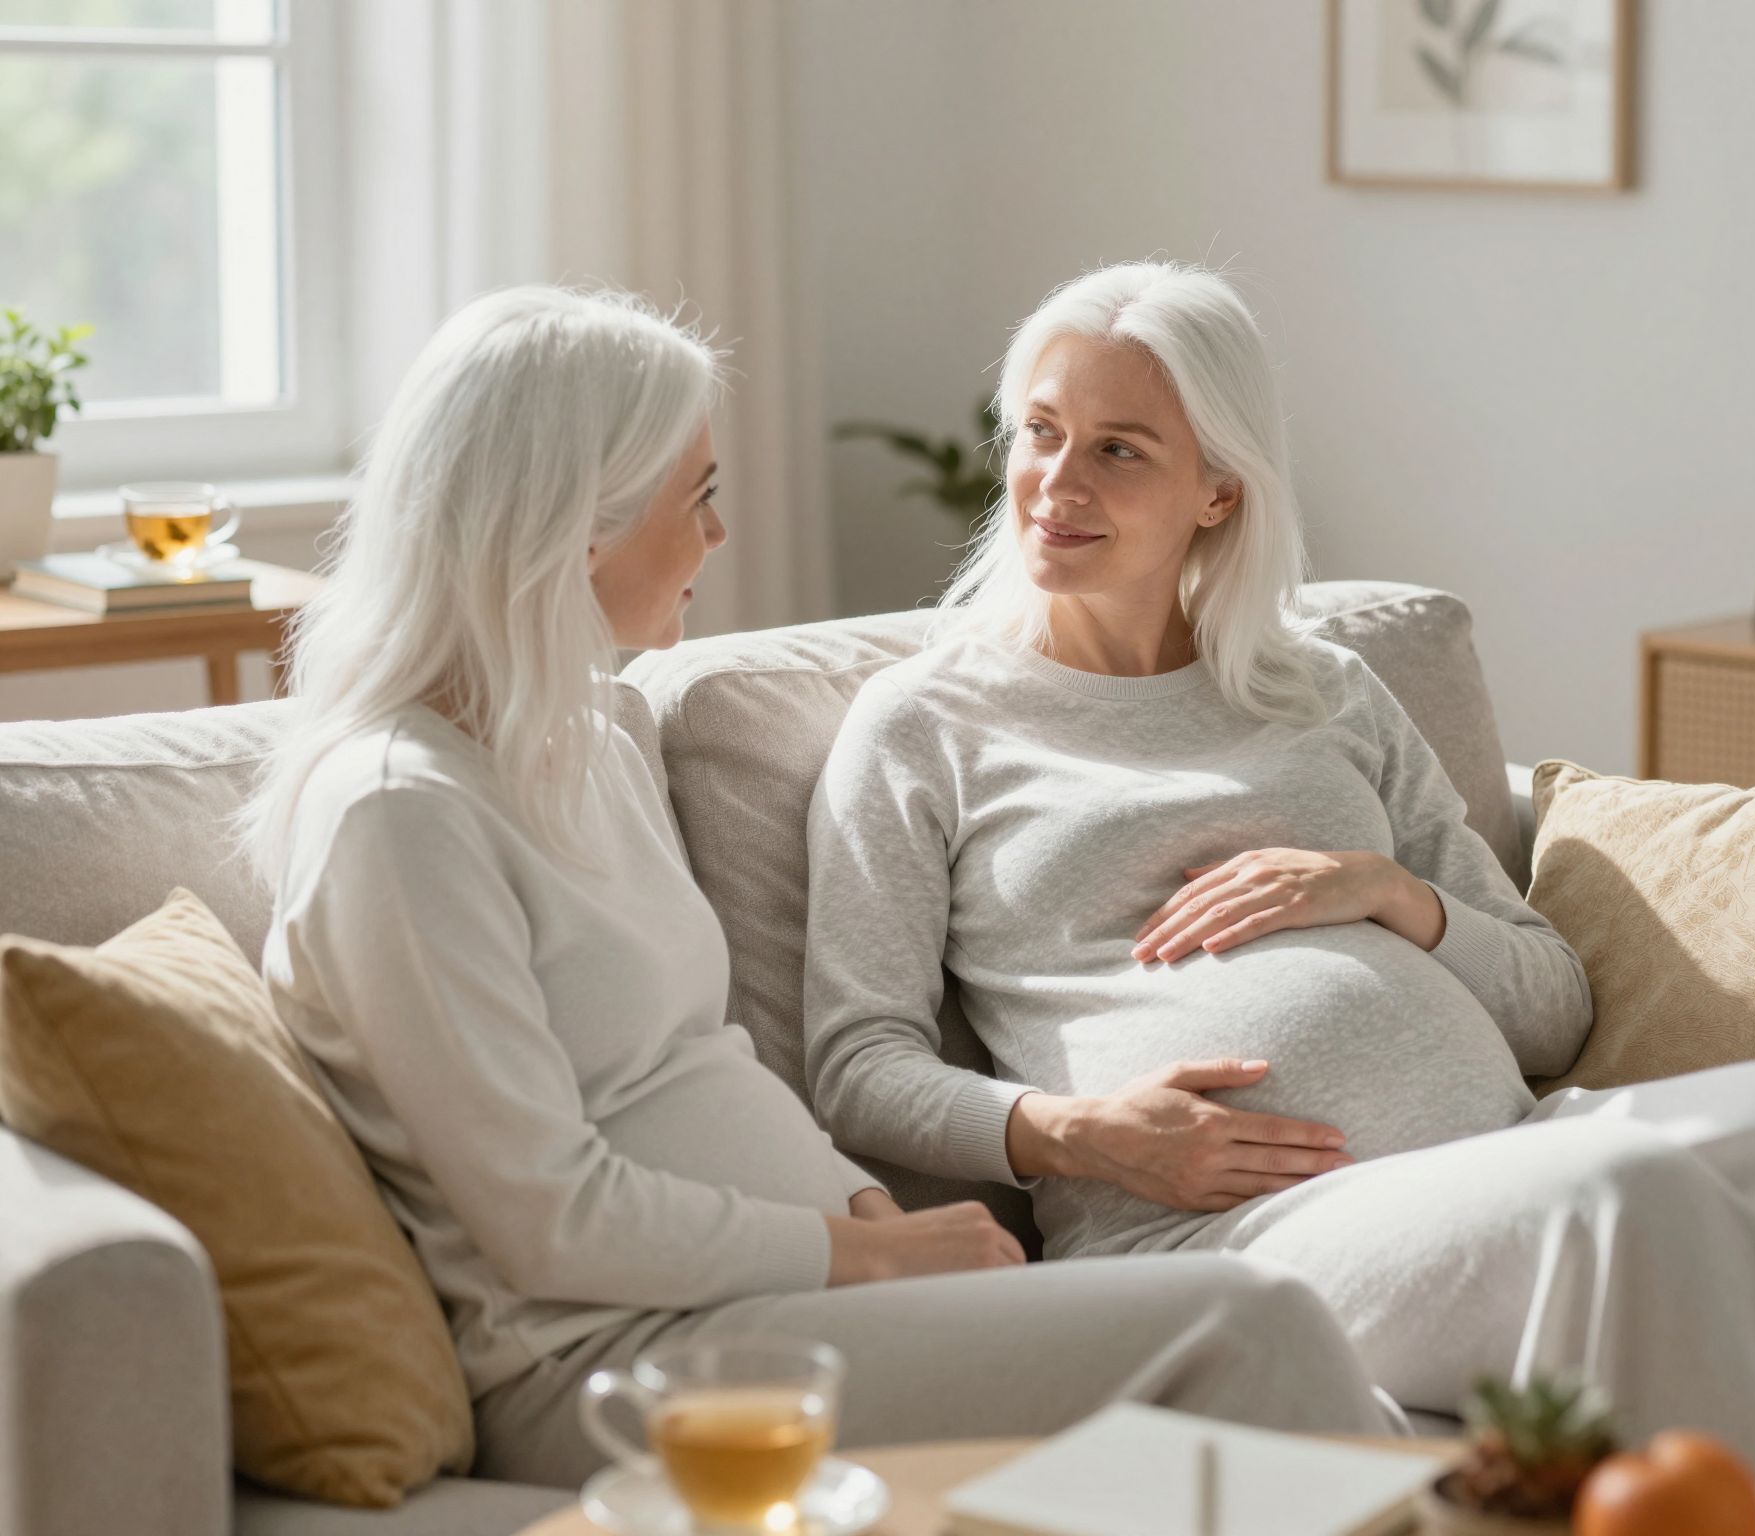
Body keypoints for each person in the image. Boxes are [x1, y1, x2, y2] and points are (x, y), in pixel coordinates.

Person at [802, 260, 1755, 1534]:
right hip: (1230, 1238)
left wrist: (1391, 893)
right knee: (1633, 1197)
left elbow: (1552, 1008)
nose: (1056, 485)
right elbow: (855, 1059)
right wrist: (1072, 1131)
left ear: (1217, 489)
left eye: (1118, 451)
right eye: (1041, 434)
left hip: (1507, 1154)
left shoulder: (1322, 690)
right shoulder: (924, 724)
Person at [243, 284, 1393, 1490]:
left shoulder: (586, 732)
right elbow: (545, 1220)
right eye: (698, 499)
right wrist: (859, 1258)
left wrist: (874, 1224)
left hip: (769, 1297)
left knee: (1211, 1404)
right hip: (605, 1359)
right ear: (575, 525)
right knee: (1243, 1324)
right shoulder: (395, 813)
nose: (719, 538)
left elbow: (698, 1067)